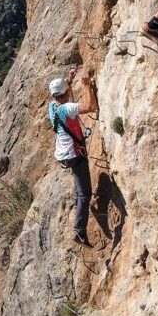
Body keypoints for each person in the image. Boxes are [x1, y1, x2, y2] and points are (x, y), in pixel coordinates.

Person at [47, 68, 99, 246]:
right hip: (74, 154)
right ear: (67, 92)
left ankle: (78, 201)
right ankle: (79, 231)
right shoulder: (68, 108)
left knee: (79, 188)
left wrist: (69, 80)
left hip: (62, 154)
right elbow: (91, 107)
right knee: (86, 194)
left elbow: (62, 95)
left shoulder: (52, 107)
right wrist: (86, 87)